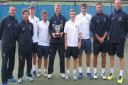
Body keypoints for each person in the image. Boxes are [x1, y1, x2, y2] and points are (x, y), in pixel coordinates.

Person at [107, 0, 128, 84]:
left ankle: (120, 75)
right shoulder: (111, 15)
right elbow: (108, 27)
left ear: (121, 4)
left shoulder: (125, 15)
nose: (117, 4)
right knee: (111, 56)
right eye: (116, 3)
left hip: (120, 41)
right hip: (111, 40)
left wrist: (123, 36)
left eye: (119, 3)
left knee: (121, 57)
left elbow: (127, 28)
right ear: (114, 4)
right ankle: (111, 73)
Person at [90, 2, 109, 80]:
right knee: (95, 56)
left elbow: (108, 28)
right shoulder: (94, 18)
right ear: (96, 8)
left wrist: (103, 37)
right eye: (98, 7)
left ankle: (103, 72)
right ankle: (95, 72)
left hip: (104, 41)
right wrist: (98, 38)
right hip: (96, 41)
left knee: (104, 55)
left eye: (100, 7)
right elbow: (92, 29)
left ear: (102, 8)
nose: (99, 8)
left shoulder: (106, 17)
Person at [0, 6, 18, 85]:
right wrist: (2, 41)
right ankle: (4, 81)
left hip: (13, 45)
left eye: (14, 10)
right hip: (5, 46)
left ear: (15, 11)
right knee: (4, 63)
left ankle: (10, 76)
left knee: (12, 62)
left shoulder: (16, 21)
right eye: (11, 10)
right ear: (9, 11)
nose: (12, 11)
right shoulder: (4, 20)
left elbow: (16, 34)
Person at [48, 3, 66, 79]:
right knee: (51, 58)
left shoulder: (63, 18)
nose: (57, 9)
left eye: (58, 8)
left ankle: (62, 72)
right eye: (56, 8)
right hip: (53, 42)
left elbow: (66, 29)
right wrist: (52, 33)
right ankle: (50, 72)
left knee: (62, 58)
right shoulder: (51, 19)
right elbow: (49, 28)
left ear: (60, 9)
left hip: (61, 42)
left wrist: (62, 32)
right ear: (54, 9)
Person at [75, 3, 93, 79]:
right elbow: (76, 28)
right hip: (80, 40)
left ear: (86, 8)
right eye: (82, 8)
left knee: (88, 56)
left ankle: (88, 72)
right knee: (80, 56)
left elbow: (92, 27)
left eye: (85, 8)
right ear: (80, 9)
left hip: (88, 39)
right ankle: (80, 72)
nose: (84, 9)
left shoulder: (90, 16)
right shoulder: (77, 17)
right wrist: (78, 40)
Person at [17, 9, 34, 83]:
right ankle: (20, 76)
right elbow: (16, 36)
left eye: (28, 14)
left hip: (29, 47)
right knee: (21, 62)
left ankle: (28, 75)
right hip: (22, 48)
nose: (27, 16)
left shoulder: (31, 25)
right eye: (26, 14)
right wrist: (22, 42)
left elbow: (32, 34)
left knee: (29, 62)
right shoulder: (19, 24)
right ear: (23, 15)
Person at [64, 9, 81, 80]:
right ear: (70, 15)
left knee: (75, 59)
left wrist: (79, 42)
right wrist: (65, 43)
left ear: (75, 15)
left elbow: (80, 34)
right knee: (67, 59)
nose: (72, 15)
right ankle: (67, 73)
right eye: (71, 14)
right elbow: (65, 34)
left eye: (73, 14)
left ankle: (74, 74)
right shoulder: (67, 23)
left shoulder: (78, 23)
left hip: (75, 45)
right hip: (68, 45)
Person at [37, 10, 50, 78]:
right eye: (43, 16)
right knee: (39, 58)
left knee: (45, 58)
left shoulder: (49, 23)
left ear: (47, 16)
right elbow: (37, 33)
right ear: (41, 16)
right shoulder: (39, 23)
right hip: (40, 44)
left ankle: (45, 70)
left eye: (45, 16)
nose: (44, 17)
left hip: (47, 45)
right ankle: (39, 70)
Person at [29, 6, 39, 76]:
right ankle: (29, 70)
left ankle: (34, 70)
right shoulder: (27, 18)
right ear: (29, 11)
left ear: (34, 11)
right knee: (29, 56)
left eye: (33, 10)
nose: (32, 11)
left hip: (36, 41)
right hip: (29, 41)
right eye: (31, 10)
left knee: (34, 55)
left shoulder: (37, 19)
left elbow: (38, 30)